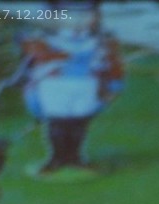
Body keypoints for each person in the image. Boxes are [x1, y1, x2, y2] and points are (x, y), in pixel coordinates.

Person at [19, 1, 123, 175]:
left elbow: (109, 63)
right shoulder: (45, 39)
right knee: (57, 122)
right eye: (69, 15)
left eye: (84, 15)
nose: (77, 21)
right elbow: (36, 55)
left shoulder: (99, 40)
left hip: (85, 85)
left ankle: (75, 157)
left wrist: (111, 82)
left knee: (79, 123)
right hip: (57, 85)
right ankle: (57, 158)